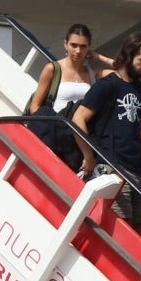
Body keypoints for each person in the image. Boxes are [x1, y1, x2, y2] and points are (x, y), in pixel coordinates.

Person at [70, 31, 141, 234]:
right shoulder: (107, 86)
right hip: (112, 164)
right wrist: (88, 156)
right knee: (121, 226)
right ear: (129, 55)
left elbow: (139, 124)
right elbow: (78, 118)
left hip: (138, 168)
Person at [26, 22, 105, 172]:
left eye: (83, 46)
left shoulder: (91, 74)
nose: (77, 51)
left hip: (79, 136)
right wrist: (47, 129)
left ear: (89, 47)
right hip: (56, 130)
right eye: (74, 45)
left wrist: (100, 57)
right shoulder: (53, 69)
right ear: (65, 44)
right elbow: (34, 107)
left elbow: (121, 74)